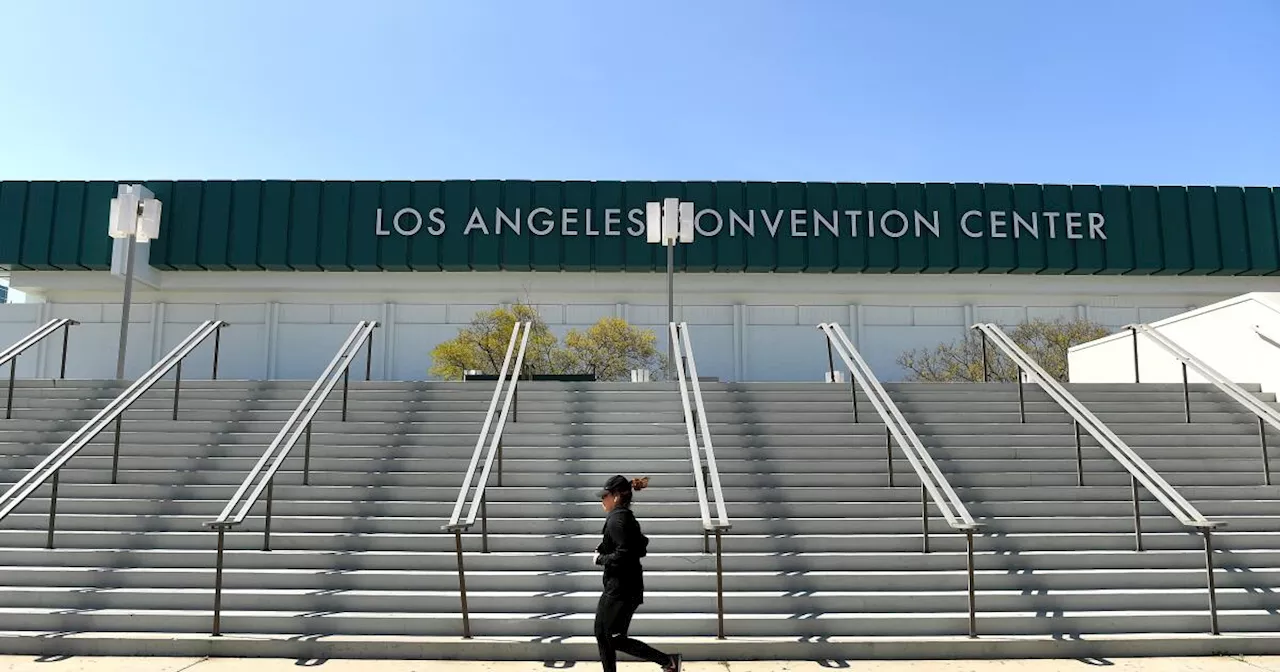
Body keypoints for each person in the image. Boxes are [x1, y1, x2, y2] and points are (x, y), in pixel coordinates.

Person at [593, 474, 682, 672]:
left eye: (604, 496)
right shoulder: (625, 517)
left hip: (620, 587)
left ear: (615, 496)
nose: (602, 500)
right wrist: (607, 548)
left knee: (605, 634)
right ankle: (669, 662)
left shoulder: (616, 520)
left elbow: (625, 552)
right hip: (627, 587)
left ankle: (668, 661)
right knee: (608, 635)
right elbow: (641, 545)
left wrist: (601, 559)